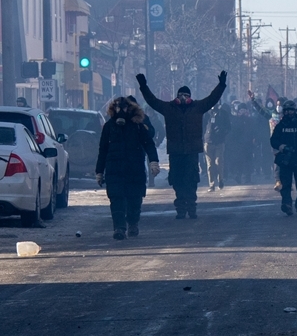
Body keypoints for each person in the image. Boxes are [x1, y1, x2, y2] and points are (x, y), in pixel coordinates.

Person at [137, 70, 227, 219]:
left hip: (191, 151)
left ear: (190, 97)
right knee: (177, 181)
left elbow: (212, 98)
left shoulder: (198, 107)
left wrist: (221, 85)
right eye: (181, 95)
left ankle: (191, 208)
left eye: (186, 95)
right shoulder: (169, 108)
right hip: (176, 151)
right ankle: (180, 209)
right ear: (177, 97)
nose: (183, 97)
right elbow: (152, 101)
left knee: (191, 181)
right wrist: (143, 86)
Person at [95, 96, 160, 240]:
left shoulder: (138, 125)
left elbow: (149, 144)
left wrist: (153, 161)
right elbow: (103, 150)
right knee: (116, 199)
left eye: (123, 108)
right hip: (114, 169)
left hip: (134, 169)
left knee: (134, 199)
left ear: (130, 108)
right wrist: (99, 171)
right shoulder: (109, 126)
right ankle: (119, 227)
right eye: (118, 107)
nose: (121, 111)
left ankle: (133, 223)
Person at [204, 101, 231, 191]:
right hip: (208, 141)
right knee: (210, 165)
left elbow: (228, 127)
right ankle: (211, 184)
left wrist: (222, 132)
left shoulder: (223, 114)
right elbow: (202, 126)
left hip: (219, 141)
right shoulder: (207, 113)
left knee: (218, 162)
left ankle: (220, 179)